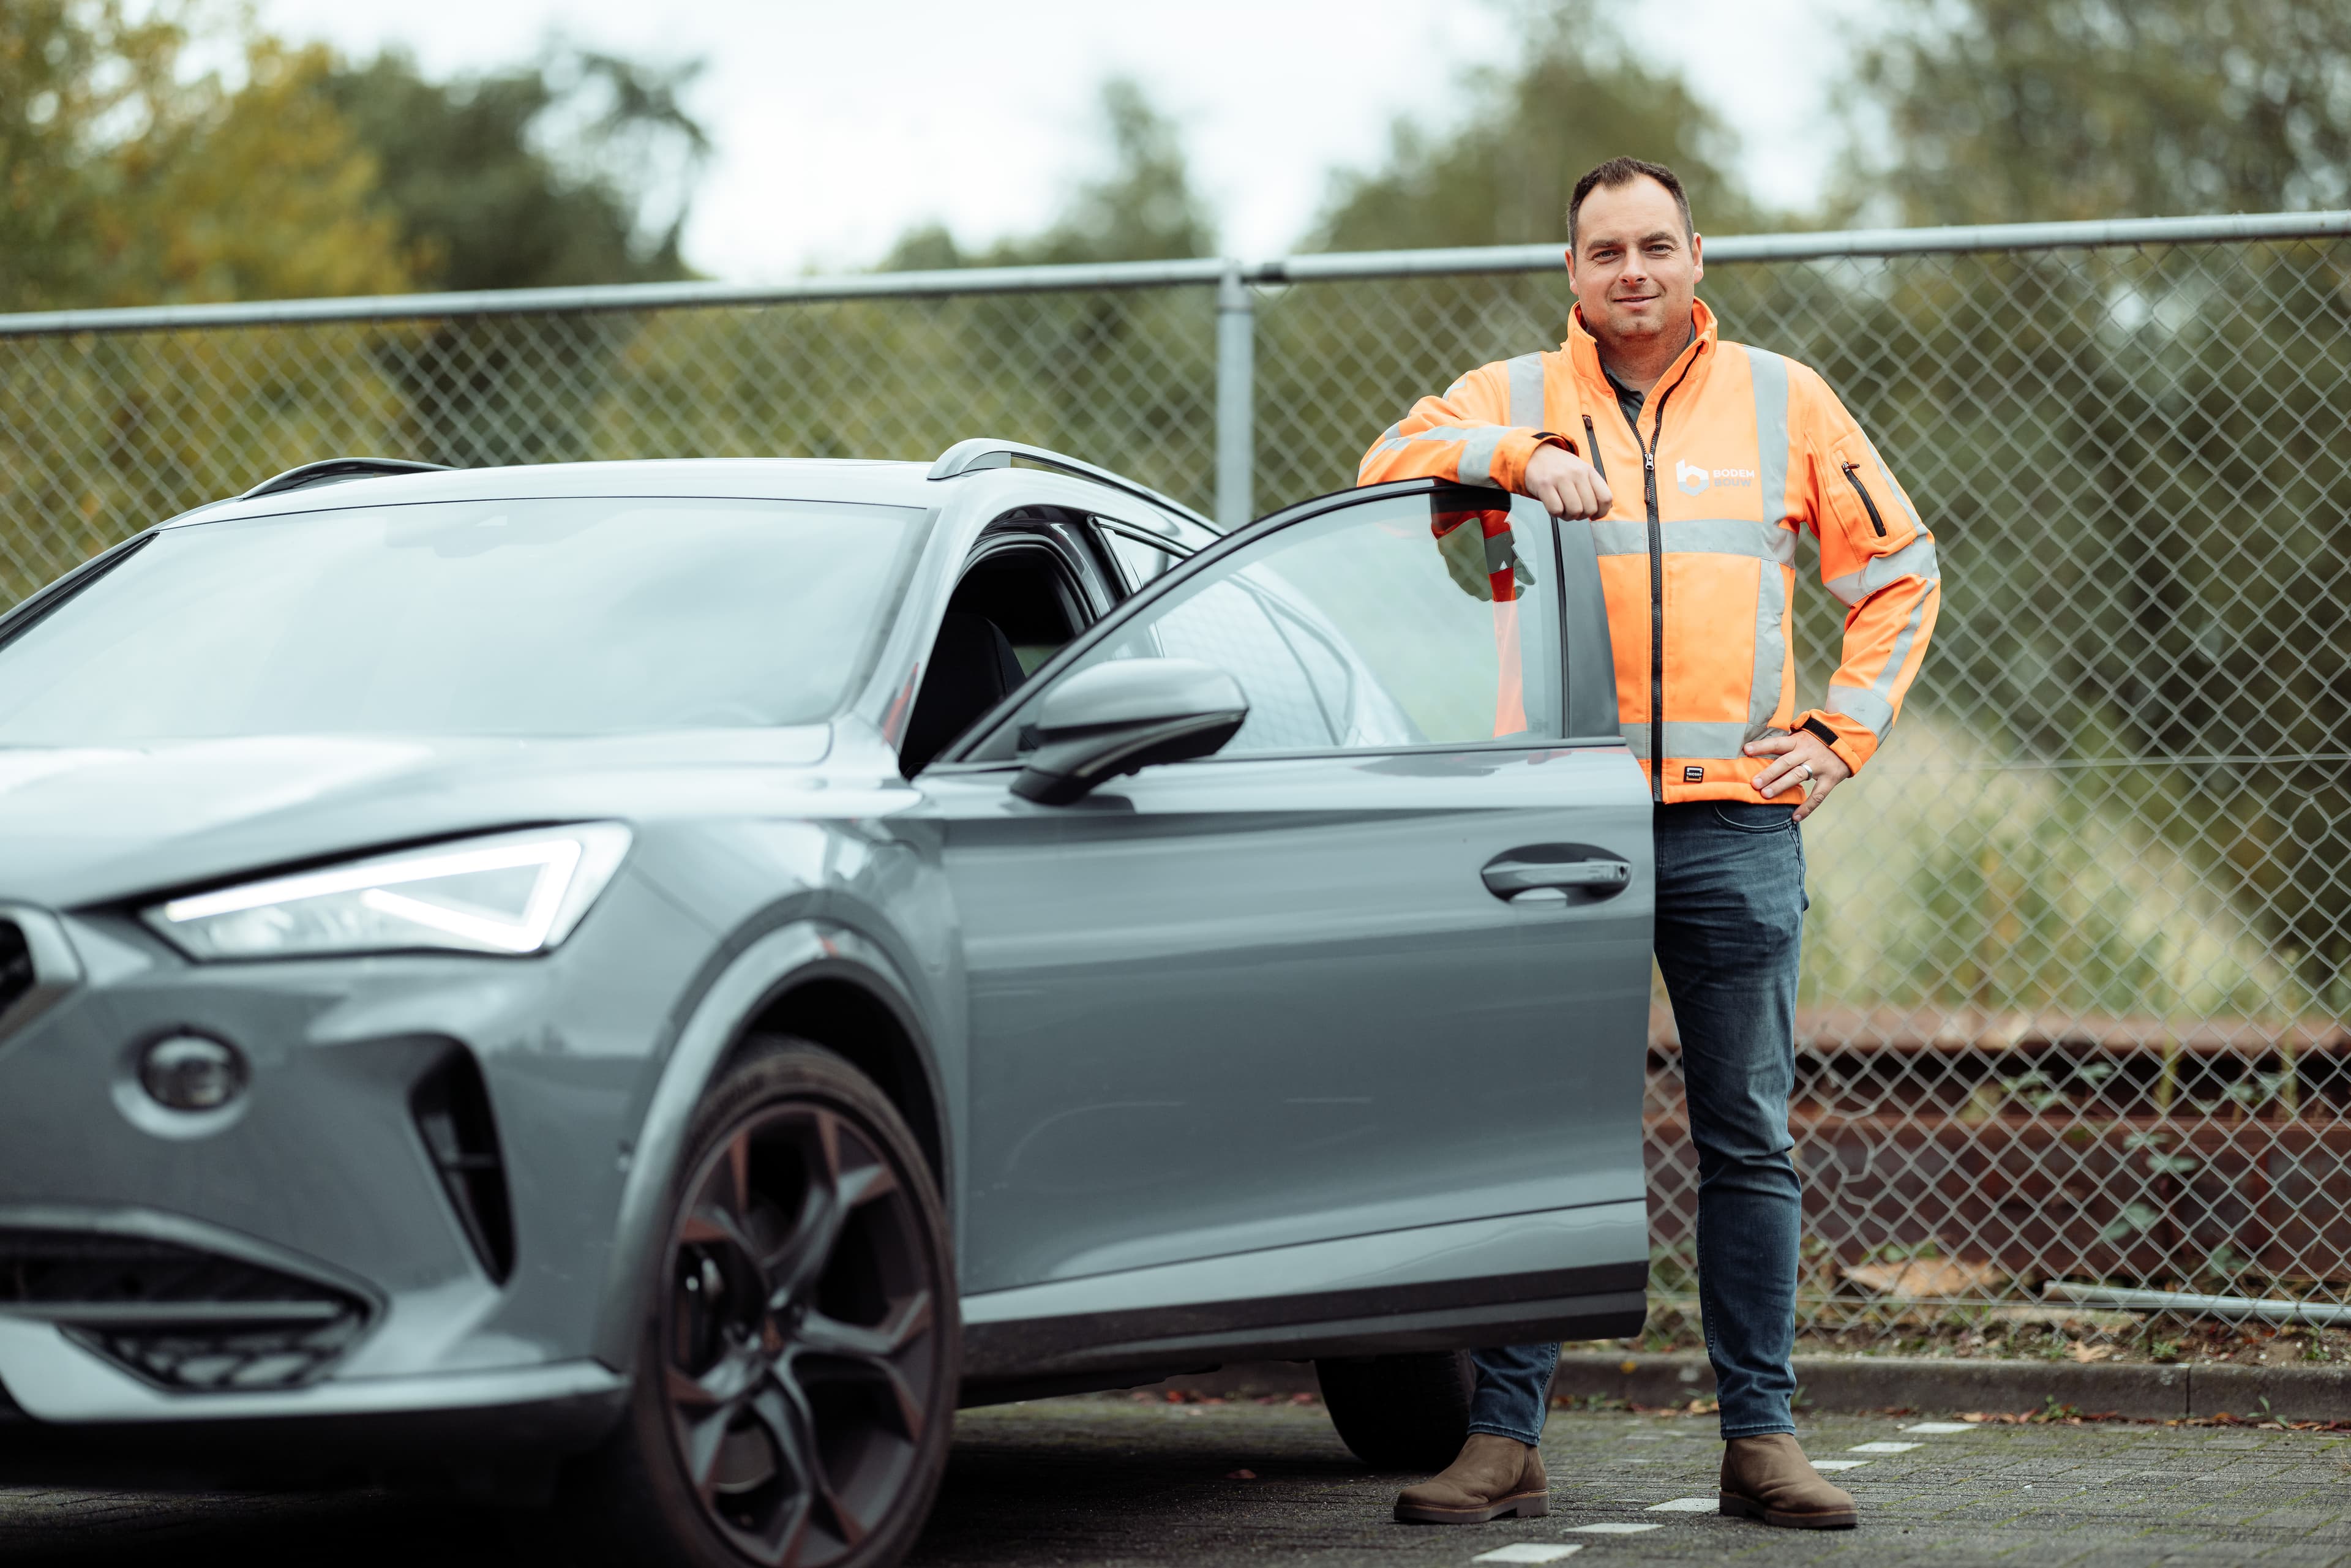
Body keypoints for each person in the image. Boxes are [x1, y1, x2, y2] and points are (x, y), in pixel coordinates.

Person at [1360, 156, 1940, 1532]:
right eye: (1605, 250)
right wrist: (1522, 460)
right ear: (1572, 270)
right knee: (1544, 1136)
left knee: (1747, 1136)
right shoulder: (1507, 396)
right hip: (1561, 825)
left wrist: (1840, 735)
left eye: (1655, 247)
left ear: (1698, 259)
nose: (1632, 271)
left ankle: (1762, 1441)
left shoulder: (1784, 398)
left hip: (1737, 821)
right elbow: (1385, 469)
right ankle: (1504, 1440)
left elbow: (1898, 571)